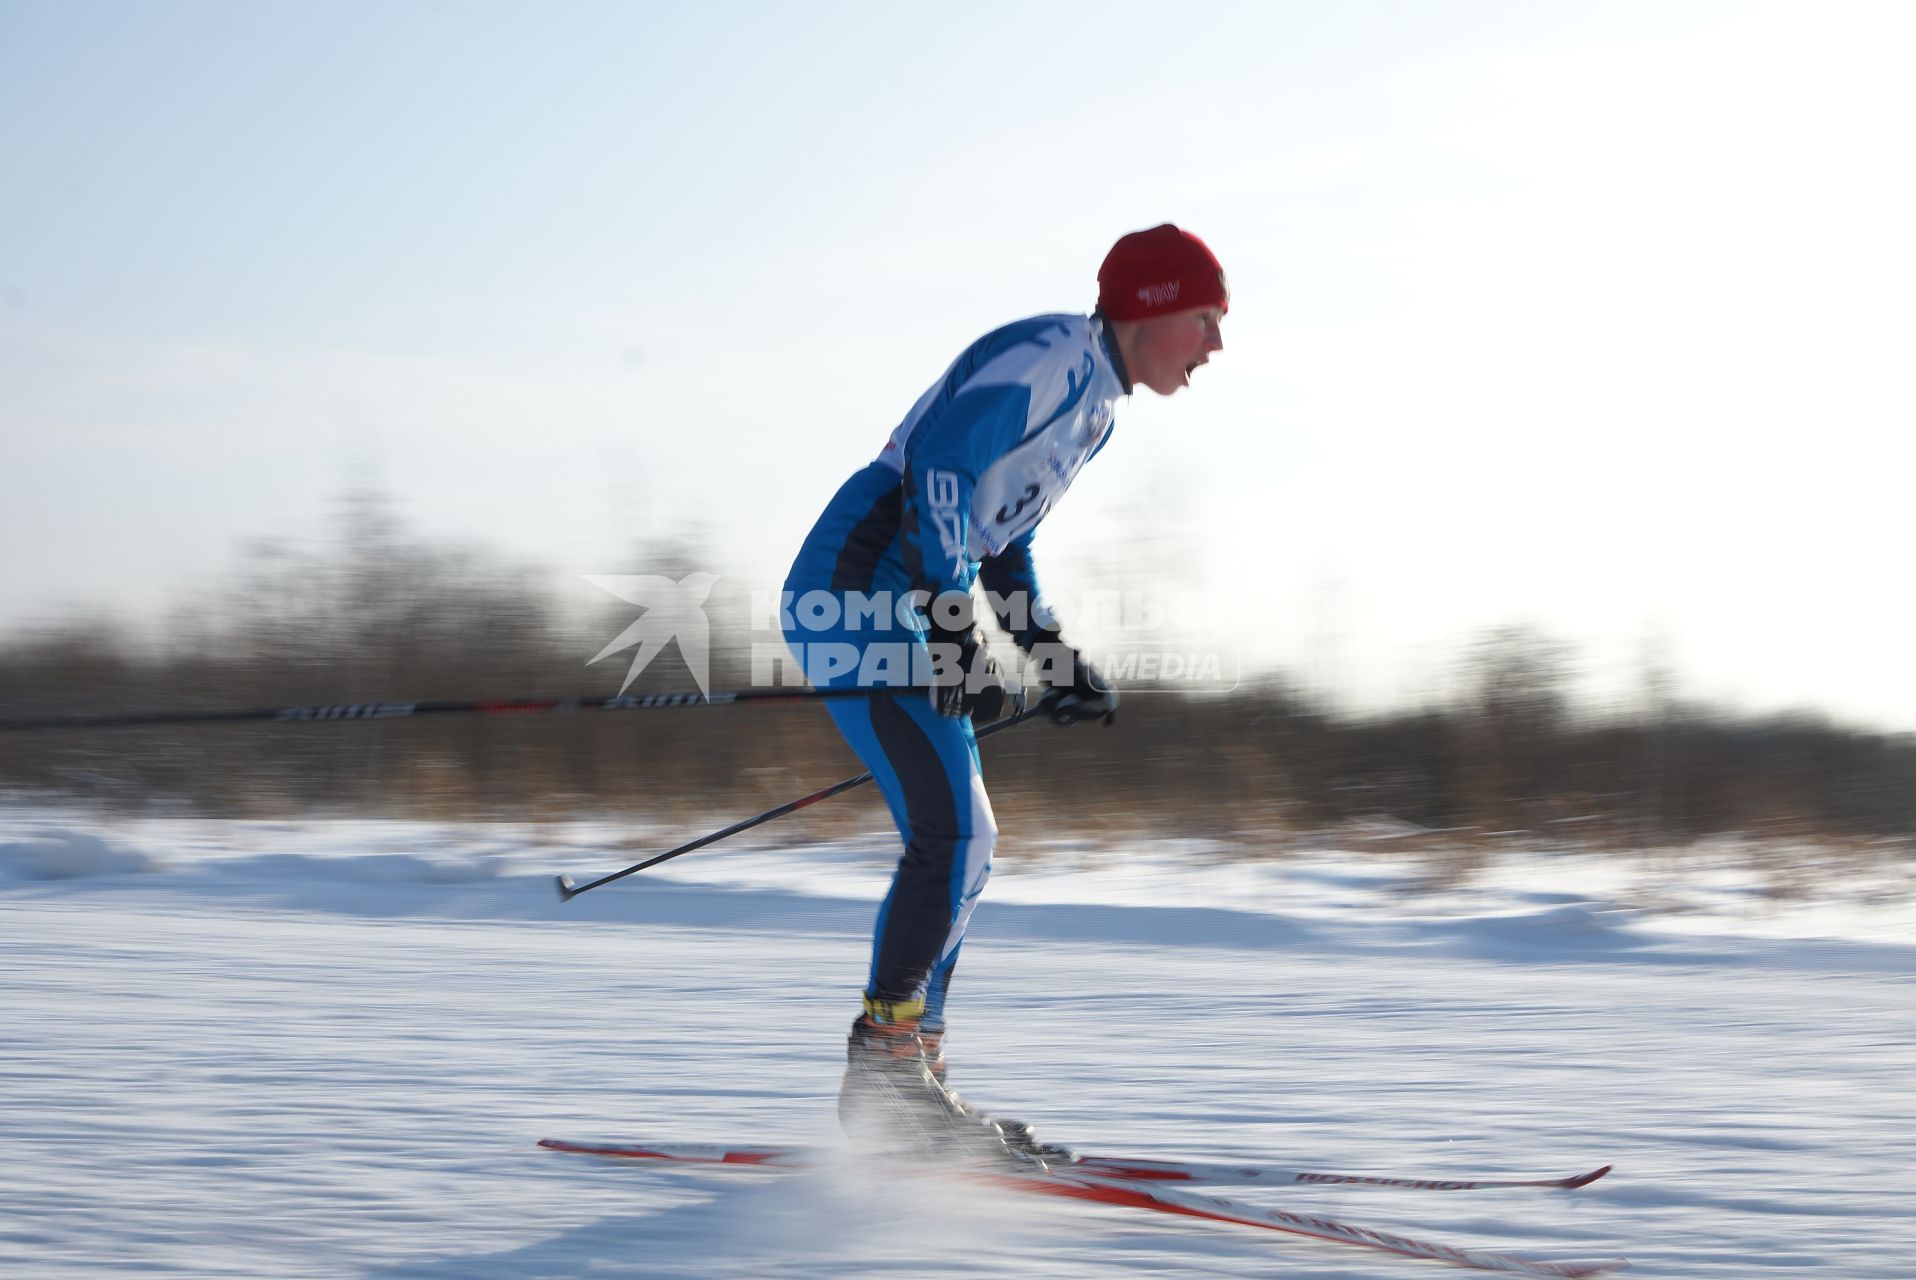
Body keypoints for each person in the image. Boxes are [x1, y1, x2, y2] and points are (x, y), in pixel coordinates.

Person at [780, 224, 1228, 1159]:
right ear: (1150, 309)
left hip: (907, 598)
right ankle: (887, 1076)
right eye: (1205, 318)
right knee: (947, 832)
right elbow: (938, 471)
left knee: (971, 841)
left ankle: (912, 1072)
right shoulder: (1052, 359)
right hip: (857, 587)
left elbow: (999, 536)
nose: (1216, 345)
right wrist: (952, 631)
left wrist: (1047, 652)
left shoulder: (1095, 408)